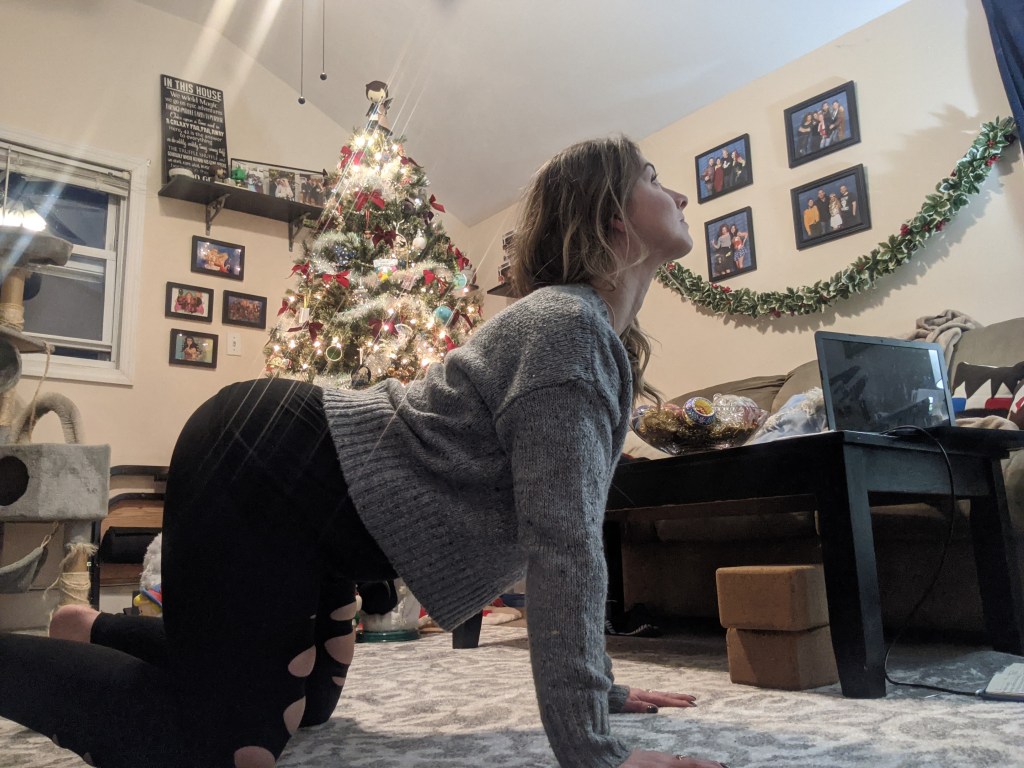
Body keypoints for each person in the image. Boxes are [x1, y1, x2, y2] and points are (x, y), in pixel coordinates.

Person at [0, 136, 728, 768]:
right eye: (653, 177)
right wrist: (592, 746)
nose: (679, 195)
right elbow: (563, 545)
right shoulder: (568, 325)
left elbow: (569, 533)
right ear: (611, 214)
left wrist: (602, 690)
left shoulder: (586, 335)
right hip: (265, 460)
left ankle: (93, 630)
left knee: (306, 710)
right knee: (224, 747)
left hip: (318, 510)